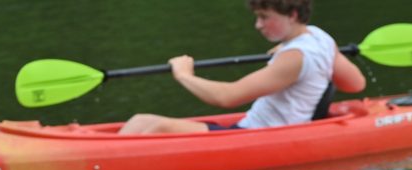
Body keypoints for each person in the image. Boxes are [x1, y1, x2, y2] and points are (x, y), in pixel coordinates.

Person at [118, 0, 366, 135]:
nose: (258, 25)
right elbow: (355, 84)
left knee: (156, 127)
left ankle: (109, 166)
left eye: (265, 17)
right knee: (141, 121)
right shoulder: (319, 38)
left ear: (292, 14)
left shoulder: (295, 56)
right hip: (259, 129)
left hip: (261, 135)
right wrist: (292, 54)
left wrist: (184, 75)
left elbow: (227, 97)